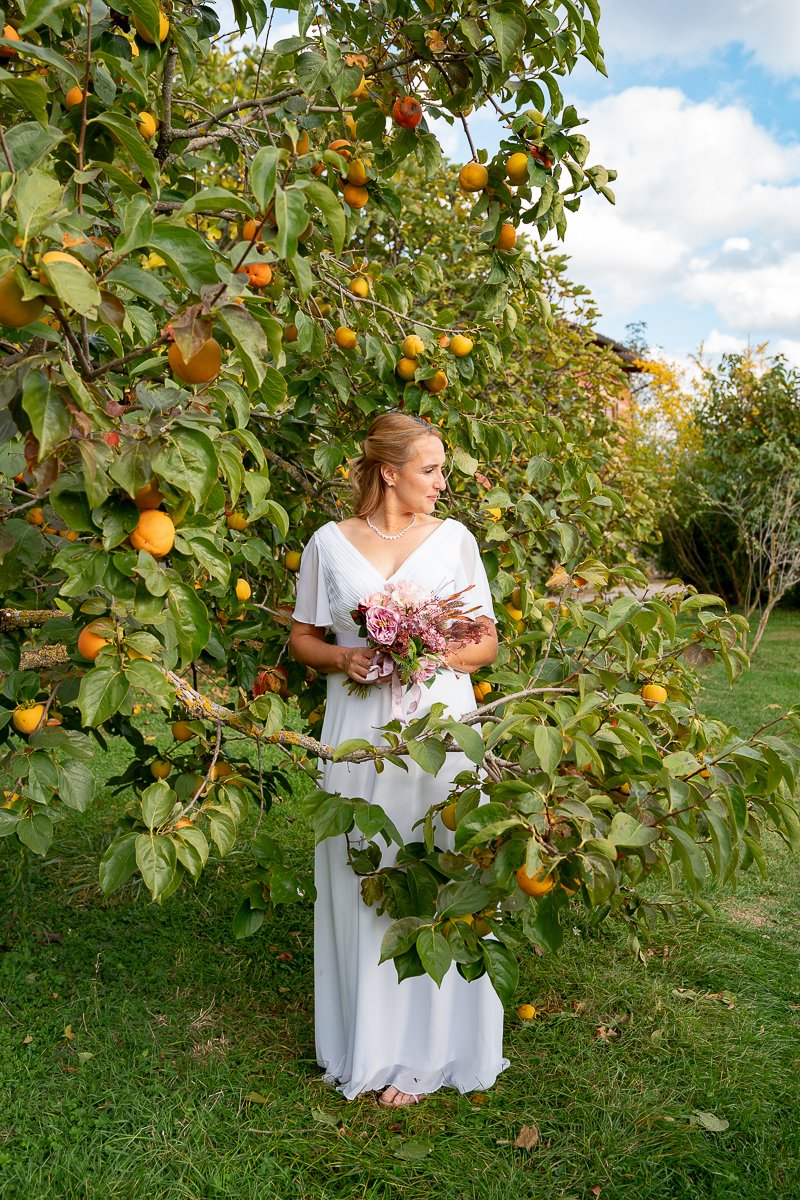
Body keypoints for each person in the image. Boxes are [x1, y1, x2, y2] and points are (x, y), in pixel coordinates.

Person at [289, 411, 508, 1108]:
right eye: (430, 469)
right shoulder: (328, 544)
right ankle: (370, 1042)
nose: (442, 482)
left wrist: (429, 646)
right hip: (359, 729)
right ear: (390, 473)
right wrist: (343, 657)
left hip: (439, 729)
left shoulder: (455, 540)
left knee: (440, 861)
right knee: (363, 865)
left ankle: (431, 1049)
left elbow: (486, 644)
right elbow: (302, 638)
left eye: (442, 469)